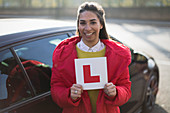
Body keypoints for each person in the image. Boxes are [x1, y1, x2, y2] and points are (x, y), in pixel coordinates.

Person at [51, 2, 131, 113]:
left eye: (93, 22)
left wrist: (116, 92)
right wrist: (69, 94)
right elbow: (56, 88)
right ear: (78, 25)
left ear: (101, 25)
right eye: (82, 23)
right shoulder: (63, 55)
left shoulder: (117, 55)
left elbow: (126, 88)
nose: (87, 28)